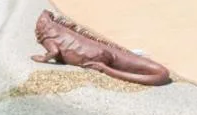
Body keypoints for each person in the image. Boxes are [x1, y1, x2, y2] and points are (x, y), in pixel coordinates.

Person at [31, 9, 170, 86]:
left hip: (97, 55)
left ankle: (106, 67)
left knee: (161, 74)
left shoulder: (49, 38)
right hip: (100, 52)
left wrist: (43, 58)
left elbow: (54, 52)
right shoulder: (54, 33)